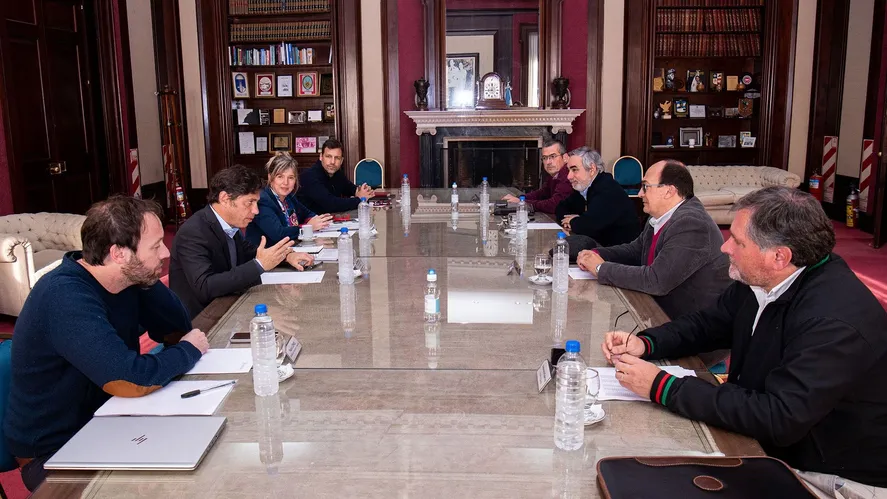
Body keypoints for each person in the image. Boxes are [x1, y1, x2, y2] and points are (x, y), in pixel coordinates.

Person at [601, 187, 887, 495]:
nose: (725, 248)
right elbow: (709, 324)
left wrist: (663, 387)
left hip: (828, 474)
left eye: (738, 241)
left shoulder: (832, 321)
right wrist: (646, 343)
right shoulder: (764, 278)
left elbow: (779, 417)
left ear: (779, 256)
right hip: (775, 444)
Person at [4, 196, 210, 492]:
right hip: (55, 451)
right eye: (155, 246)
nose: (165, 252)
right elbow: (129, 379)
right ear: (118, 253)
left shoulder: (125, 280)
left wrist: (148, 279)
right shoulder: (64, 296)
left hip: (109, 421)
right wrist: (189, 350)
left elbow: (177, 327)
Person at [576, 160, 731, 319]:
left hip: (692, 323)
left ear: (669, 191)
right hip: (662, 311)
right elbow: (635, 251)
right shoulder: (662, 216)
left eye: (645, 187)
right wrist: (594, 254)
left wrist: (601, 268)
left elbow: (656, 280)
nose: (640, 194)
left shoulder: (691, 223)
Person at [170, 165, 315, 318]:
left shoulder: (230, 225)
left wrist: (286, 256)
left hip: (230, 306)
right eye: (250, 202)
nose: (256, 211)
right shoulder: (193, 232)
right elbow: (205, 286)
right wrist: (260, 265)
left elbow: (250, 252)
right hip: (201, 321)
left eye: (256, 203)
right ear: (225, 199)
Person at [554, 147, 639, 259]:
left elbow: (589, 225)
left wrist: (575, 221)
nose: (569, 176)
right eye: (569, 170)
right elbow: (560, 208)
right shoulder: (584, 187)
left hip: (621, 256)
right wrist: (576, 221)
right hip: (602, 248)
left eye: (574, 170)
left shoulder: (607, 189)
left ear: (592, 169)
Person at [246, 152, 333, 246]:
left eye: (290, 178)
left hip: (291, 249)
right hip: (265, 256)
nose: (285, 182)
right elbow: (279, 234)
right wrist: (308, 227)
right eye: (280, 177)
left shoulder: (289, 197)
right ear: (270, 177)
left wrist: (319, 220)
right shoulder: (263, 200)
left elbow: (308, 214)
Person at [297, 139, 374, 214]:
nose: (332, 162)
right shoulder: (309, 176)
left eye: (337, 158)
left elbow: (350, 188)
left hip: (329, 220)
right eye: (328, 156)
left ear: (341, 160)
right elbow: (331, 204)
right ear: (321, 157)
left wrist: (362, 190)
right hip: (309, 224)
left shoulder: (337, 173)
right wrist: (360, 199)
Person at [502, 139, 572, 215]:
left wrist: (523, 202)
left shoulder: (568, 175)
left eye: (553, 156)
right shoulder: (555, 174)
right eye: (545, 158)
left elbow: (554, 205)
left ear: (565, 158)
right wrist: (520, 198)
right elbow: (542, 193)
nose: (548, 162)